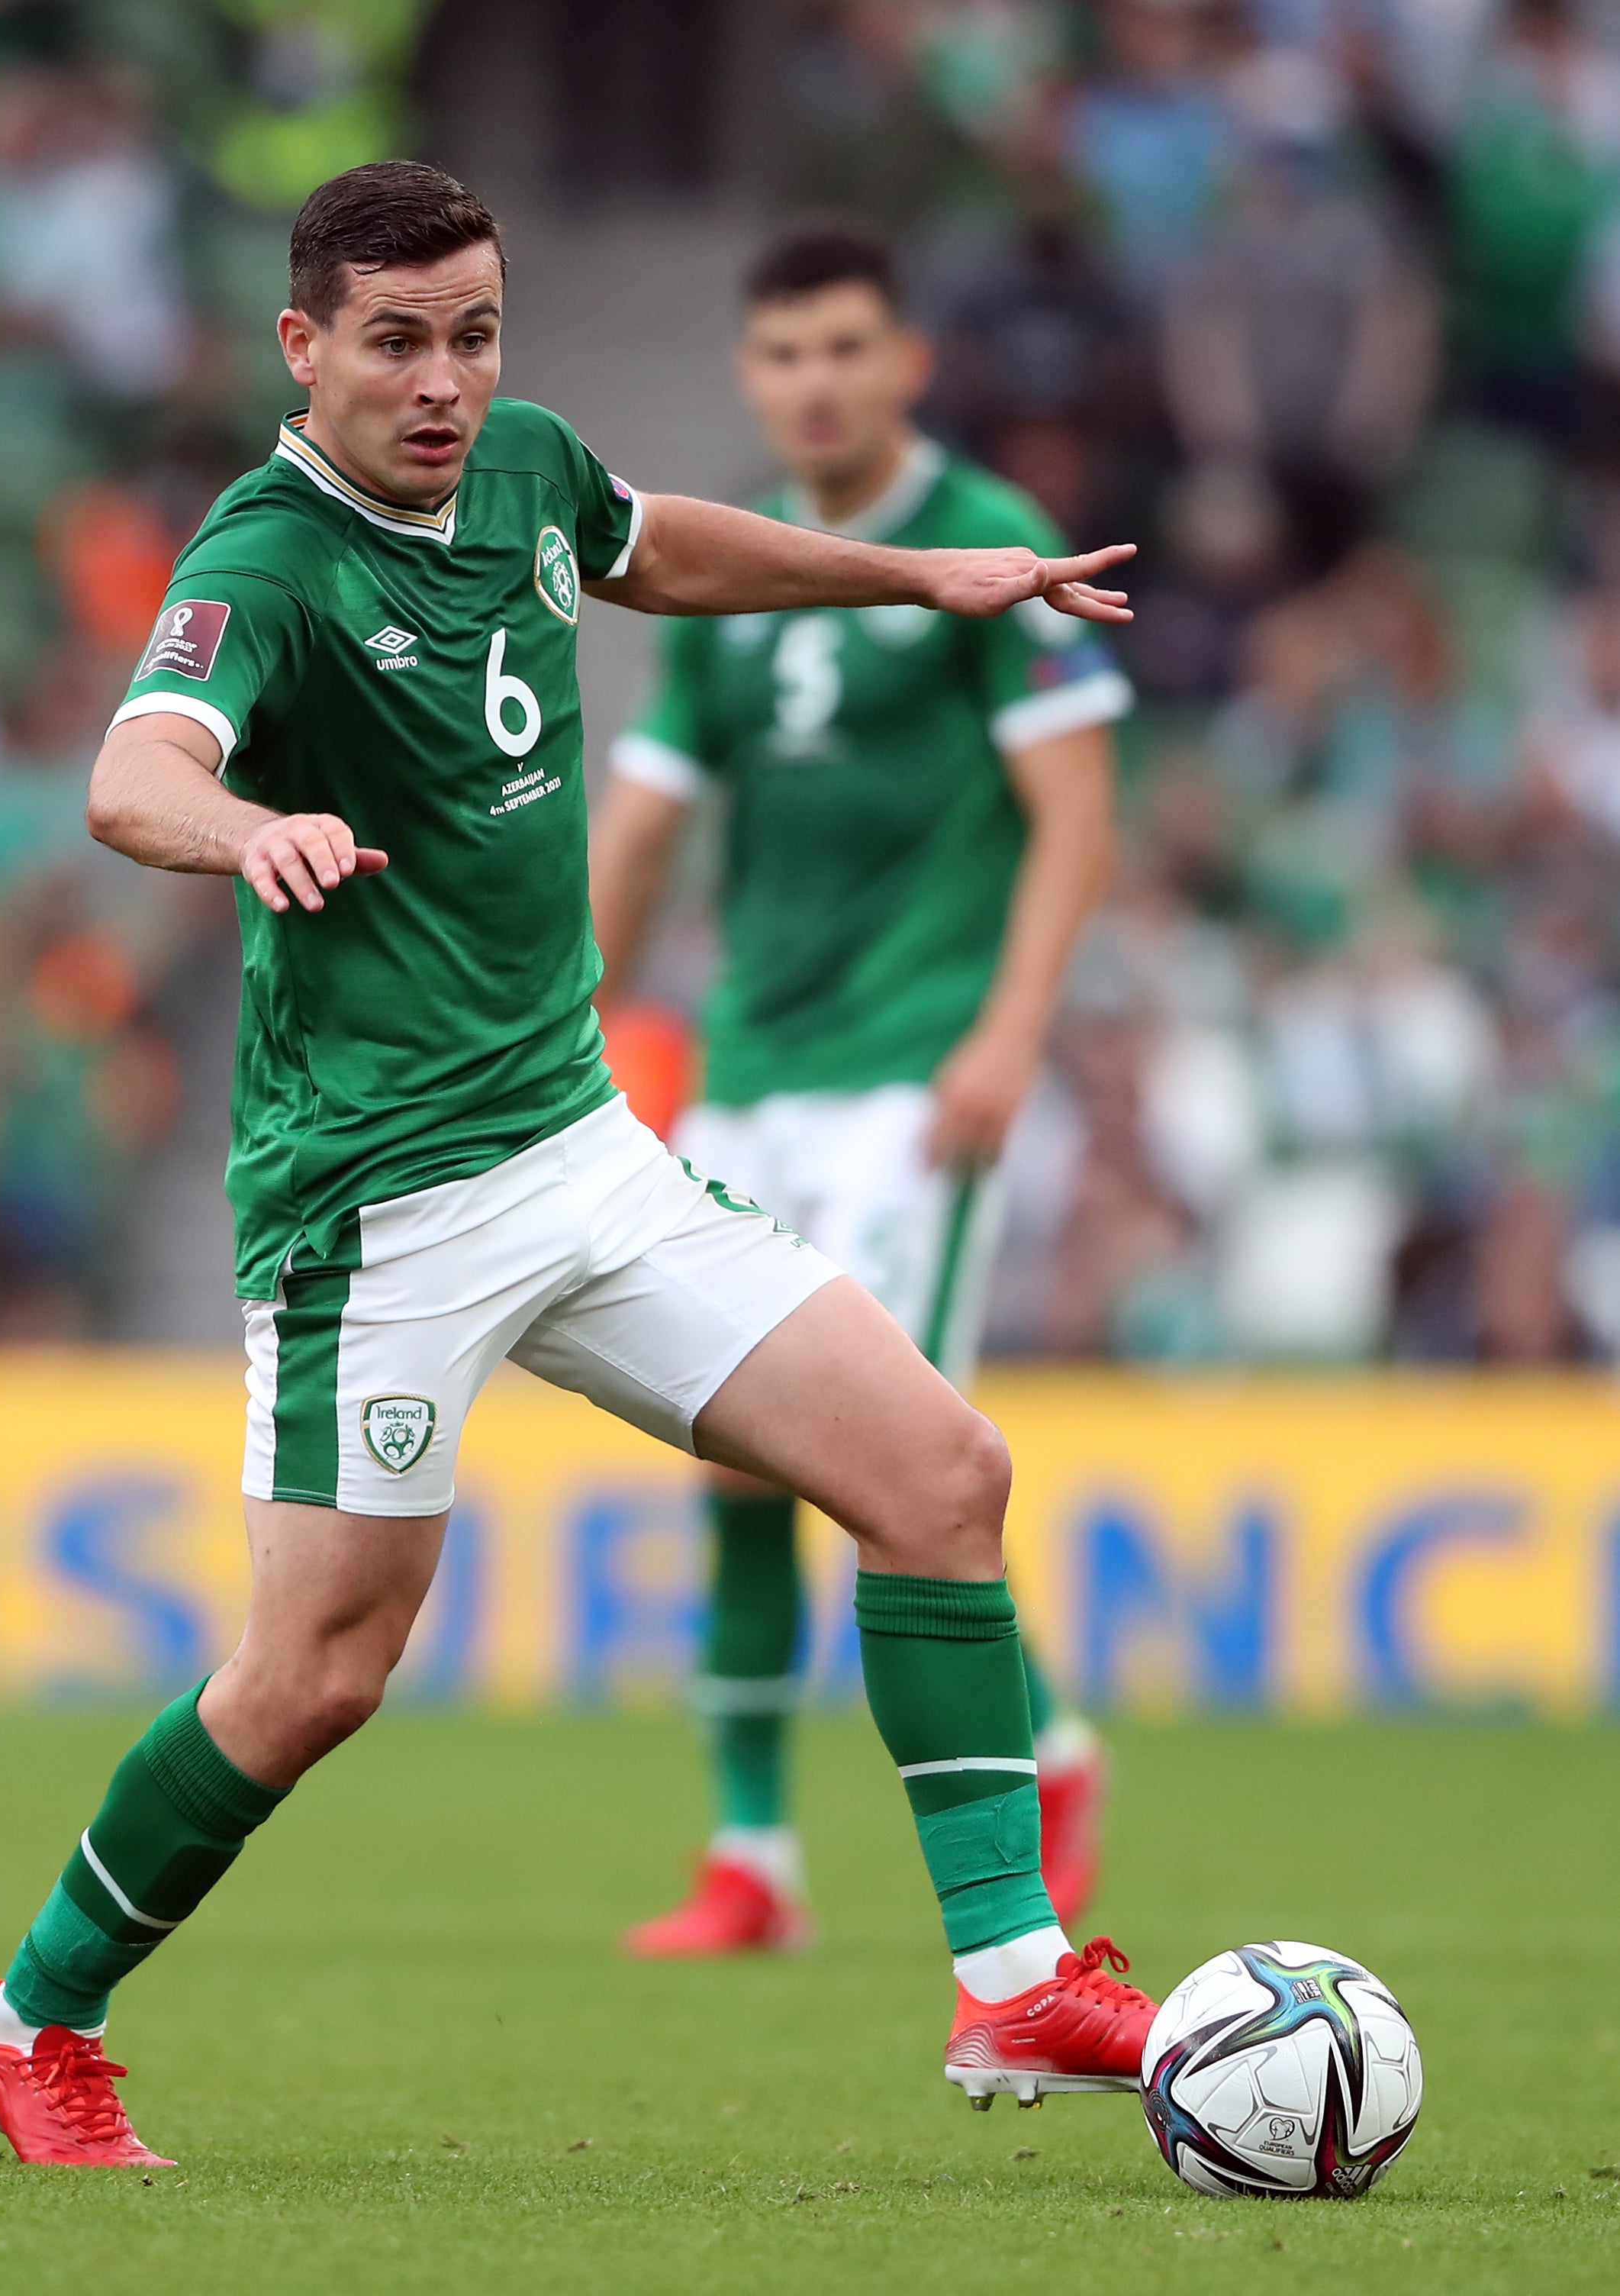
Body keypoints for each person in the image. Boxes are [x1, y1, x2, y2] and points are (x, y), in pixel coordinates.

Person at [0, 160, 1156, 2168]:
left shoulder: (519, 468)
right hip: (376, 1202)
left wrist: (913, 577)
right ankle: (29, 2021)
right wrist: (240, 829)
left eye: (475, 335)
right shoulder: (263, 561)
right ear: (303, 347)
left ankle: (1011, 1979)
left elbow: (650, 545)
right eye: (399, 343)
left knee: (940, 1474)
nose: (443, 384)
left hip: (578, 1144)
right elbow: (131, 764)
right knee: (316, 1673)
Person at [592, 221, 1127, 1961]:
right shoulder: (742, 571)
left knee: (892, 1450)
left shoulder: (987, 551)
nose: (812, 382)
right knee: (736, 1457)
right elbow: (650, 825)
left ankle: (1044, 1756)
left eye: (842, 348)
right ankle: (752, 1856)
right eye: (781, 354)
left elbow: (1073, 812)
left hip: (913, 1079)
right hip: (748, 1072)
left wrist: (1007, 1030)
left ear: (902, 359)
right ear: (752, 375)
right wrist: (567, 1019)